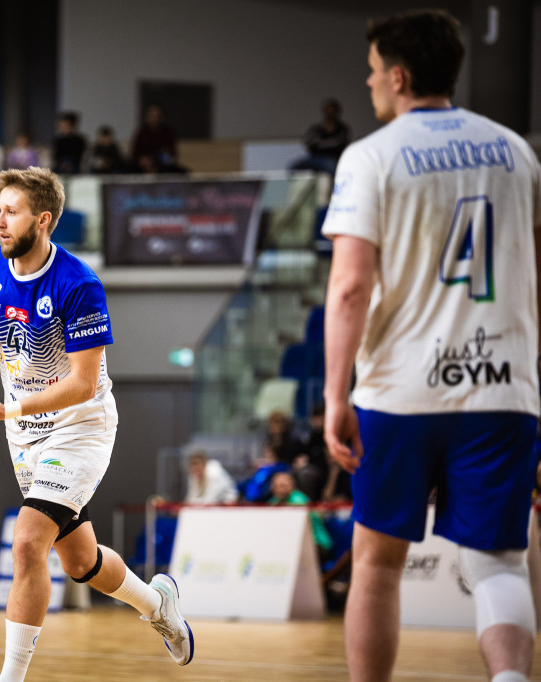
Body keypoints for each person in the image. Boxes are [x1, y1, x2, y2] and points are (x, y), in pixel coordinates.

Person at [322, 10, 540, 682]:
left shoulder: (372, 156)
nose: (366, 83)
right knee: (500, 562)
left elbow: (351, 288)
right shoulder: (517, 151)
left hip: (401, 392)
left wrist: (334, 395)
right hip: (503, 386)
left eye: (371, 70)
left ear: (399, 75)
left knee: (378, 563)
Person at [0, 167, 194, 681]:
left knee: (26, 542)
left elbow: (85, 383)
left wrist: (7, 409)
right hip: (24, 434)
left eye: (10, 211)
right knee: (80, 561)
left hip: (79, 426)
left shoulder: (79, 283)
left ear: (42, 220)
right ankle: (157, 604)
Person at [267, 472, 334, 560]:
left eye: (285, 485)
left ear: (292, 485)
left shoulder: (299, 500)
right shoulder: (273, 501)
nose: (283, 488)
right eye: (279, 485)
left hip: (317, 544)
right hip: (293, 544)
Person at [291, 98, 351, 175]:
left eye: (332, 111)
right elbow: (307, 142)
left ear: (337, 113)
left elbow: (337, 143)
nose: (330, 114)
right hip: (314, 159)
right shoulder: (317, 129)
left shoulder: (342, 129)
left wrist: (320, 143)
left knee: (331, 166)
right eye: (328, 111)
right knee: (293, 167)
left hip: (332, 159)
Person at [131, 103, 182, 174]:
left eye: (157, 116)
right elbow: (134, 154)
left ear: (161, 117)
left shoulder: (168, 133)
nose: (154, 119)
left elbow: (171, 155)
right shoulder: (141, 133)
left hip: (161, 165)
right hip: (142, 167)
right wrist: (143, 161)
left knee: (179, 172)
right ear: (147, 117)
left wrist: (155, 160)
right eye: (152, 116)